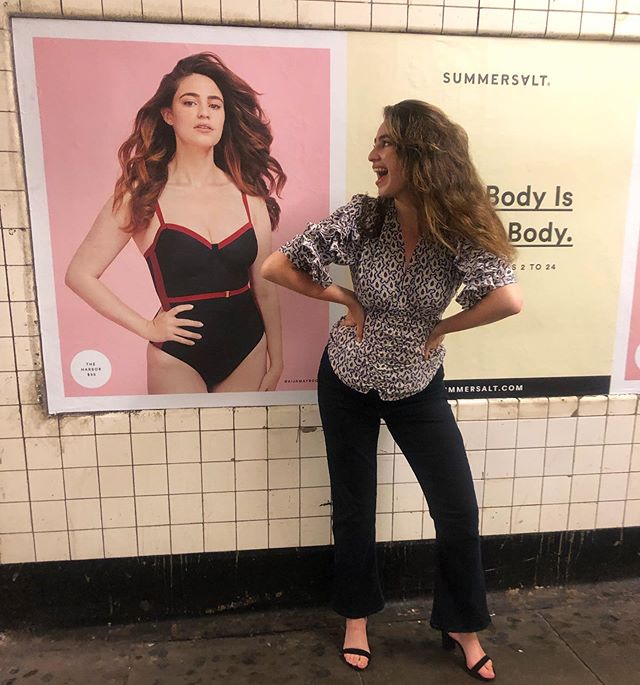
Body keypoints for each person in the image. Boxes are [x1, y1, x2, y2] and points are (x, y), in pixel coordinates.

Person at [262, 99, 523, 681]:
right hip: (348, 380)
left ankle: (460, 622)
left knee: (457, 509)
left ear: (421, 155)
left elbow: (507, 298)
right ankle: (356, 617)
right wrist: (343, 297)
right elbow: (277, 267)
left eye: (386, 143)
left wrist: (445, 326)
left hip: (417, 385)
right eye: (375, 142)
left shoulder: (457, 226)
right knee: (355, 506)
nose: (373, 155)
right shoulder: (363, 216)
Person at [66, 52, 285, 394]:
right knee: (183, 448)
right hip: (177, 358)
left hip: (248, 348)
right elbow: (79, 274)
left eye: (215, 105)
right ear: (168, 114)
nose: (204, 113)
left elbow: (265, 287)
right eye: (190, 102)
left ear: (225, 116)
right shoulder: (142, 195)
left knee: (235, 448)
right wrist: (146, 327)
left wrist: (278, 358)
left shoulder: (249, 196)